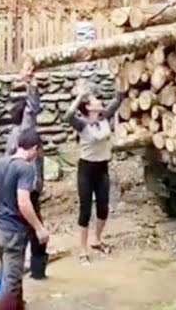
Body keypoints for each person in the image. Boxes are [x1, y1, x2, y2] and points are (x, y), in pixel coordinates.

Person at [0, 127, 48, 310]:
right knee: (11, 282)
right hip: (13, 232)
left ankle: (19, 306)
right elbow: (23, 201)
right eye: (38, 151)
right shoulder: (26, 168)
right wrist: (38, 227)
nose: (37, 155)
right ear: (34, 148)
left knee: (12, 271)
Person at [68, 76, 123, 262]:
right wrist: (80, 96)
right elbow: (68, 116)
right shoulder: (82, 123)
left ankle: (97, 240)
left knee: (103, 206)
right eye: (94, 101)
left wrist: (120, 81)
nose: (99, 101)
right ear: (89, 108)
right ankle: (82, 249)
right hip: (86, 169)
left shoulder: (104, 117)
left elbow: (118, 100)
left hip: (102, 167)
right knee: (85, 209)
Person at [4, 68, 49, 279]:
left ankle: (11, 275)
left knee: (16, 236)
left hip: (12, 189)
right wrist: (32, 85)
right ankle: (36, 273)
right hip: (26, 190)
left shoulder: (11, 135)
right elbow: (32, 108)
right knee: (35, 233)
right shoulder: (24, 132)